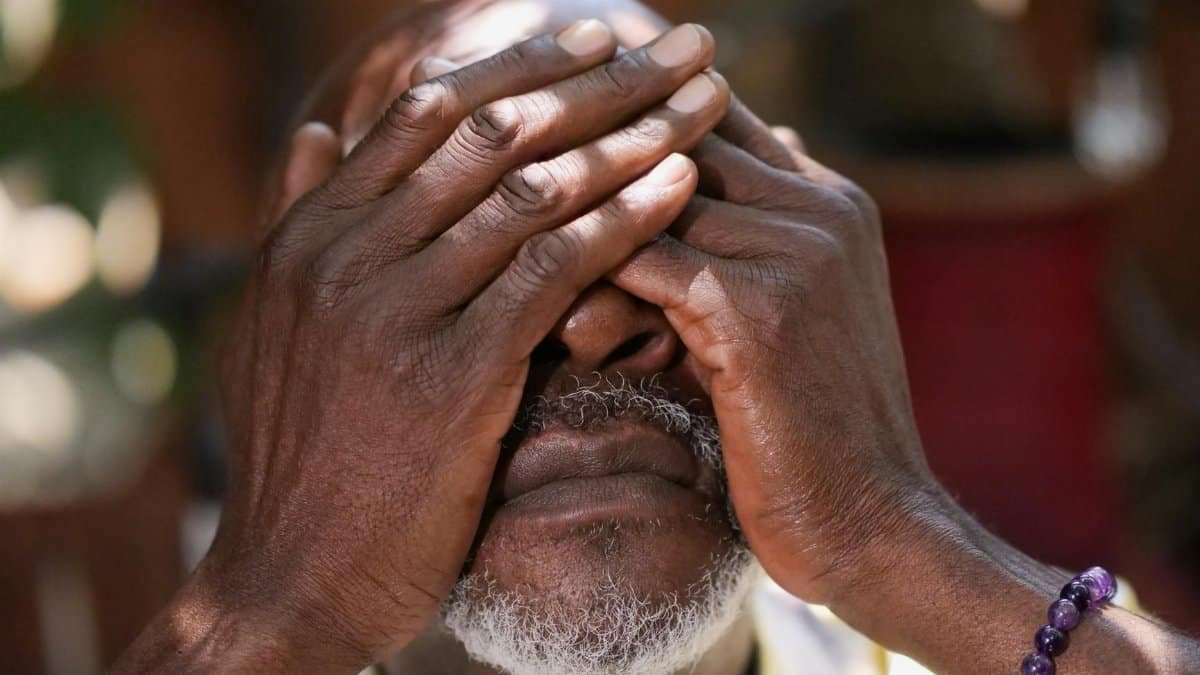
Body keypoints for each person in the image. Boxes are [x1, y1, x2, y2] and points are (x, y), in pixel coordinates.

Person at [114, 1, 1200, 673]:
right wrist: (273, 617)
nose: (590, 325)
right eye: (459, 240)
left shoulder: (1025, 646)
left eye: (668, 210)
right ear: (290, 313)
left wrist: (892, 539)